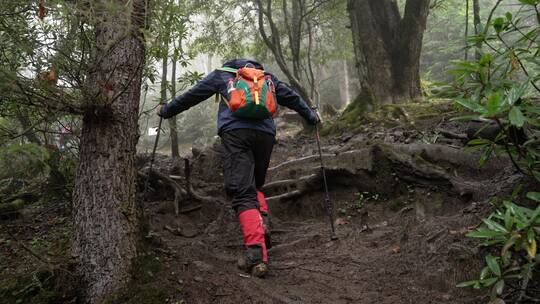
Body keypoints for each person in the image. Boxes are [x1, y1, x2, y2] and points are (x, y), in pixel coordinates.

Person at [158, 58, 319, 277]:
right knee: (256, 185)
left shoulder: (222, 75)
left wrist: (166, 111)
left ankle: (255, 253)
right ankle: (262, 223)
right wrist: (311, 117)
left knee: (242, 192)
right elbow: (292, 97)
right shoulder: (267, 78)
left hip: (235, 134)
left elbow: (192, 96)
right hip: (265, 135)